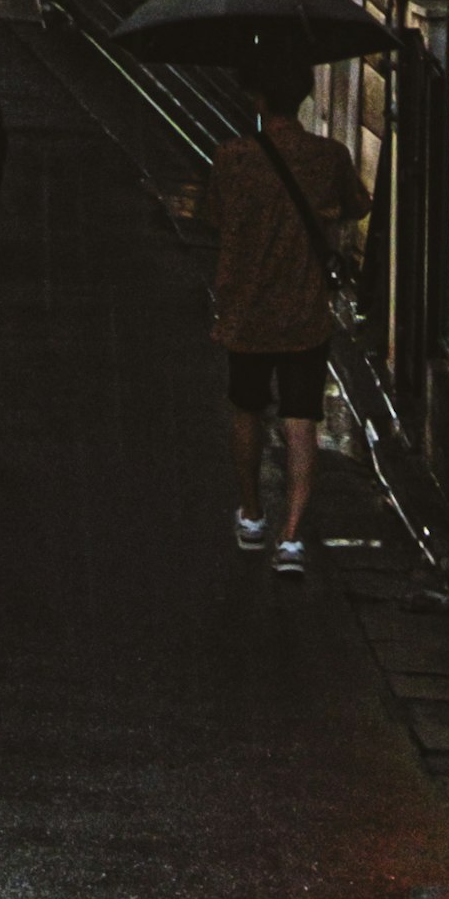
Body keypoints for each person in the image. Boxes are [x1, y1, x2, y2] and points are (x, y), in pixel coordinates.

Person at [177, 62, 367, 570]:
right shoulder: (329, 156)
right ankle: (290, 538)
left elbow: (215, 216)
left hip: (247, 311)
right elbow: (358, 205)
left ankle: (254, 514)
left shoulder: (233, 157)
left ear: (259, 98)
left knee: (246, 410)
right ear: (305, 95)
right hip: (304, 309)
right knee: (301, 419)